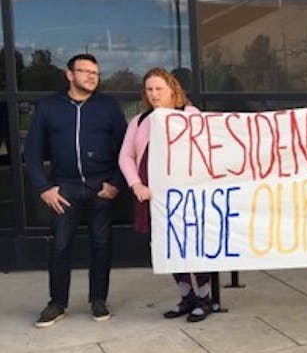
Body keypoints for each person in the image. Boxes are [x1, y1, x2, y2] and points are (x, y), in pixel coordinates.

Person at [24, 53, 127, 327]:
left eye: (95, 72)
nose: (91, 76)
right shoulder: (49, 107)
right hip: (64, 188)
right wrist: (43, 187)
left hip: (101, 187)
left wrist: (116, 183)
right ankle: (57, 303)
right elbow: (32, 150)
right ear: (69, 75)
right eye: (84, 71)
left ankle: (98, 300)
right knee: (59, 247)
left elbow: (127, 149)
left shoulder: (108, 106)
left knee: (101, 245)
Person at [118, 68, 213, 323]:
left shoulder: (189, 115)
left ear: (173, 89)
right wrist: (136, 184)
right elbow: (126, 156)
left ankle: (205, 298)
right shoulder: (139, 121)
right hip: (153, 196)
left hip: (186, 195)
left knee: (194, 246)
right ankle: (187, 297)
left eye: (159, 88)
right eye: (149, 89)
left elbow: (204, 150)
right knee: (168, 248)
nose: (154, 94)